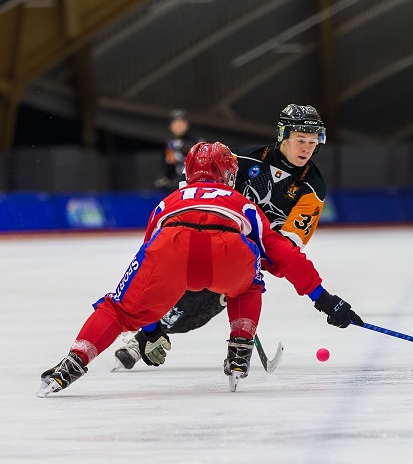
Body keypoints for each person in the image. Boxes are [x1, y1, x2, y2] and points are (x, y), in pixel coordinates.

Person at [38, 141, 362, 396]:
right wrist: (323, 298)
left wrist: (150, 331)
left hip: (171, 248)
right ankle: (240, 346)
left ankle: (73, 362)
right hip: (228, 256)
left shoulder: (168, 202)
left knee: (117, 308)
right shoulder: (243, 203)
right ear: (228, 174)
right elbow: (284, 254)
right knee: (250, 283)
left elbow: (146, 262)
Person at [112, 103, 329, 370]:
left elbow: (287, 244)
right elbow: (193, 175)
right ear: (283, 135)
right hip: (206, 236)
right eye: (300, 140)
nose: (307, 148)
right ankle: (142, 335)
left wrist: (252, 251)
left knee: (199, 311)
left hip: (244, 254)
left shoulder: (313, 187)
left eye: (312, 140)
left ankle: (148, 335)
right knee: (179, 290)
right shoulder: (243, 158)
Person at [154, 109, 202, 190]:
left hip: (193, 184)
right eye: (175, 123)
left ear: (187, 124)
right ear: (170, 126)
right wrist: (165, 178)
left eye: (181, 122)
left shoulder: (197, 142)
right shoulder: (169, 143)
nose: (178, 126)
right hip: (175, 185)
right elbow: (168, 163)